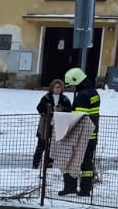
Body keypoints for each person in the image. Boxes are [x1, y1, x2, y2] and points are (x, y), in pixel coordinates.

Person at [64, 66, 102, 196]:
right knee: (87, 163)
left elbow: (78, 117)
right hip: (93, 133)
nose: (72, 87)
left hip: (81, 136)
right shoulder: (94, 93)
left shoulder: (82, 96)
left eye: (72, 84)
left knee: (70, 160)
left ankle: (70, 187)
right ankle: (86, 190)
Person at [32, 78, 71, 169]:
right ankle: (35, 165)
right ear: (52, 88)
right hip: (46, 125)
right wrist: (49, 110)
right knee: (41, 146)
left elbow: (69, 109)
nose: (58, 89)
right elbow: (39, 108)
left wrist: (61, 109)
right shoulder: (46, 97)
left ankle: (49, 165)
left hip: (58, 125)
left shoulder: (65, 99)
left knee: (52, 147)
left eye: (60, 87)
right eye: (56, 87)